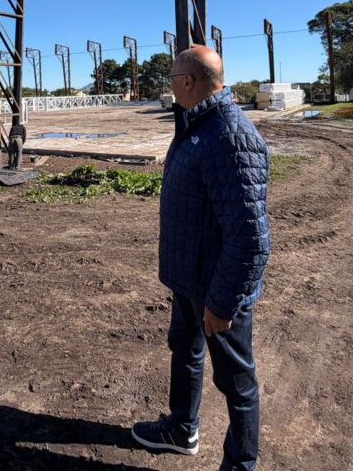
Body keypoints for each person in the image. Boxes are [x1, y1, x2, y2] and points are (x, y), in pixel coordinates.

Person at [131, 46, 271, 471]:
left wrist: (224, 301)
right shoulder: (200, 125)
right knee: (185, 350)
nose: (170, 85)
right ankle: (181, 428)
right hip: (190, 278)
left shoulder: (230, 136)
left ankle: (241, 465)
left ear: (188, 82)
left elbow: (250, 238)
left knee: (236, 381)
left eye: (172, 78)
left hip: (215, 287)